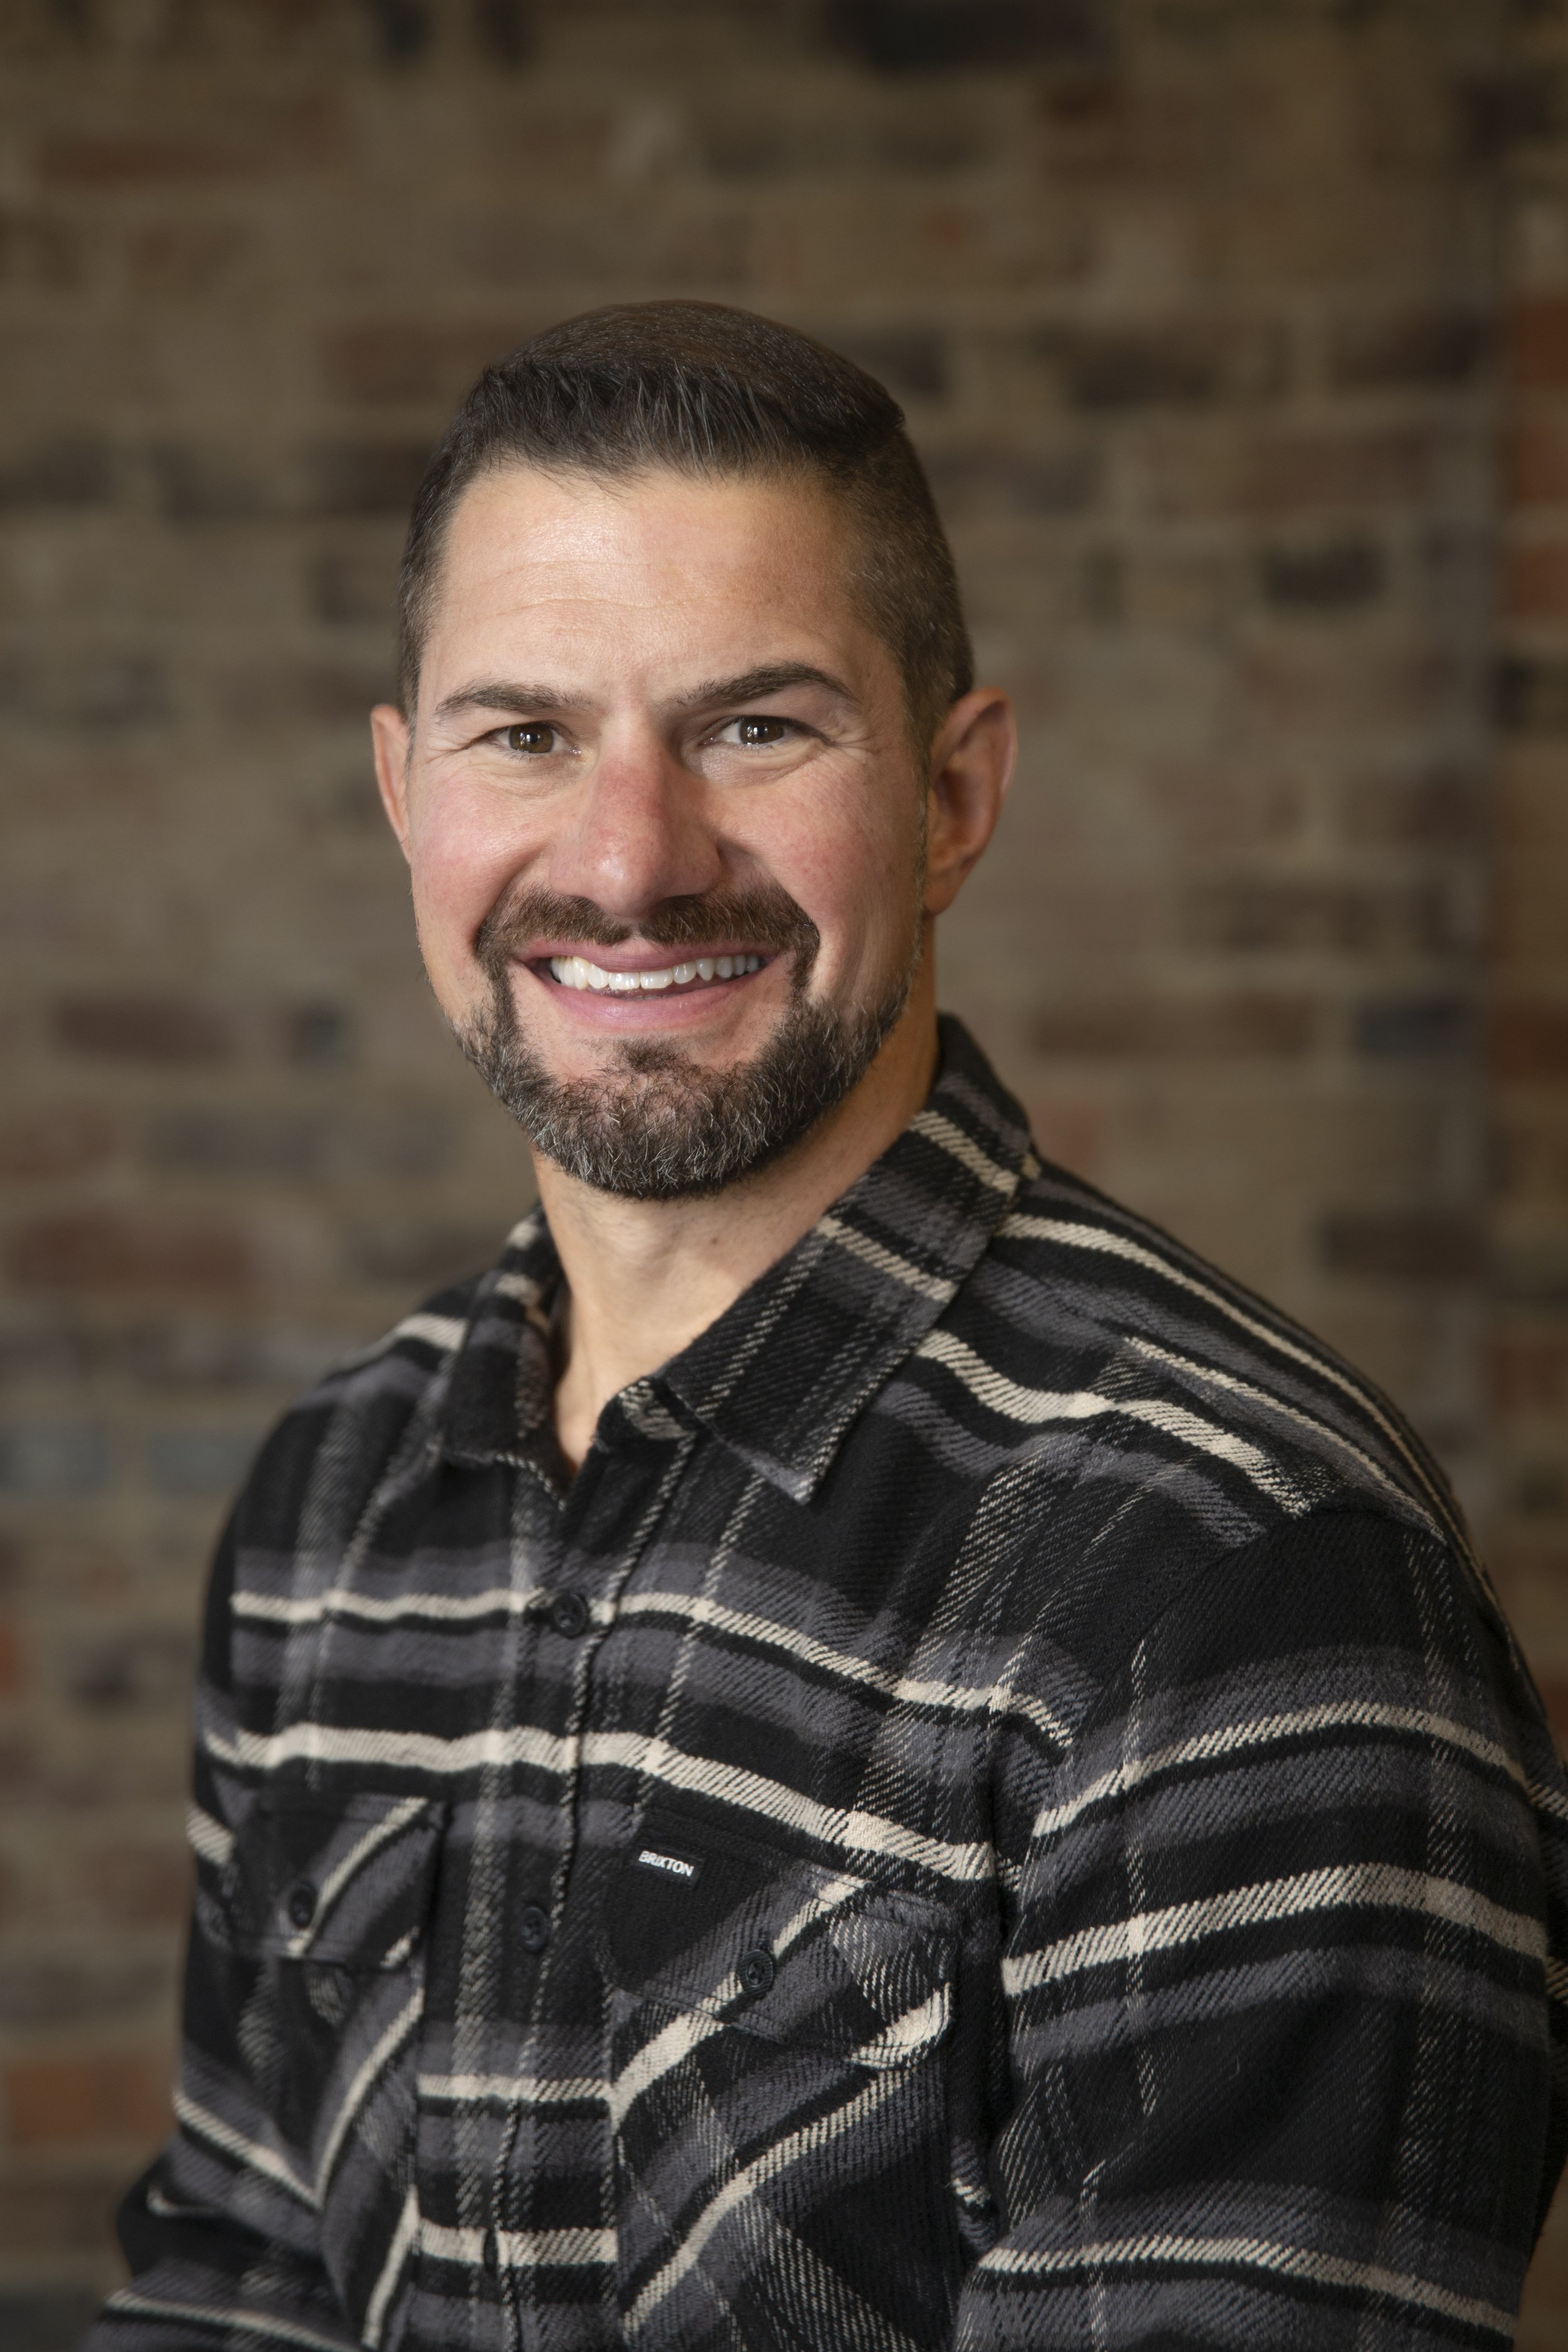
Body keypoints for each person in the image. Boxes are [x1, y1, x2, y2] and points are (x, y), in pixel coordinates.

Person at [92, 302, 1567, 2352]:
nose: (627, 861)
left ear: (955, 796)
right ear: (399, 788)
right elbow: (235, 2295)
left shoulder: (1237, 1582)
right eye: (525, 734)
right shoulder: (338, 1500)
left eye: (754, 728)